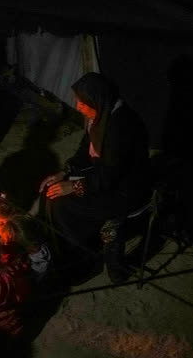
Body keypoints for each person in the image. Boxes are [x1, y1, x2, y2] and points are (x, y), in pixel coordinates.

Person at [40, 72, 151, 282]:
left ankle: (85, 260)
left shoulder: (121, 126)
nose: (79, 107)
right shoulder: (100, 117)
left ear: (97, 100)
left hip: (125, 190)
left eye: (82, 103)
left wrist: (74, 187)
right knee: (50, 192)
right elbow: (85, 151)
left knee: (63, 206)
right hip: (103, 177)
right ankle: (62, 251)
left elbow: (111, 174)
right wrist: (64, 172)